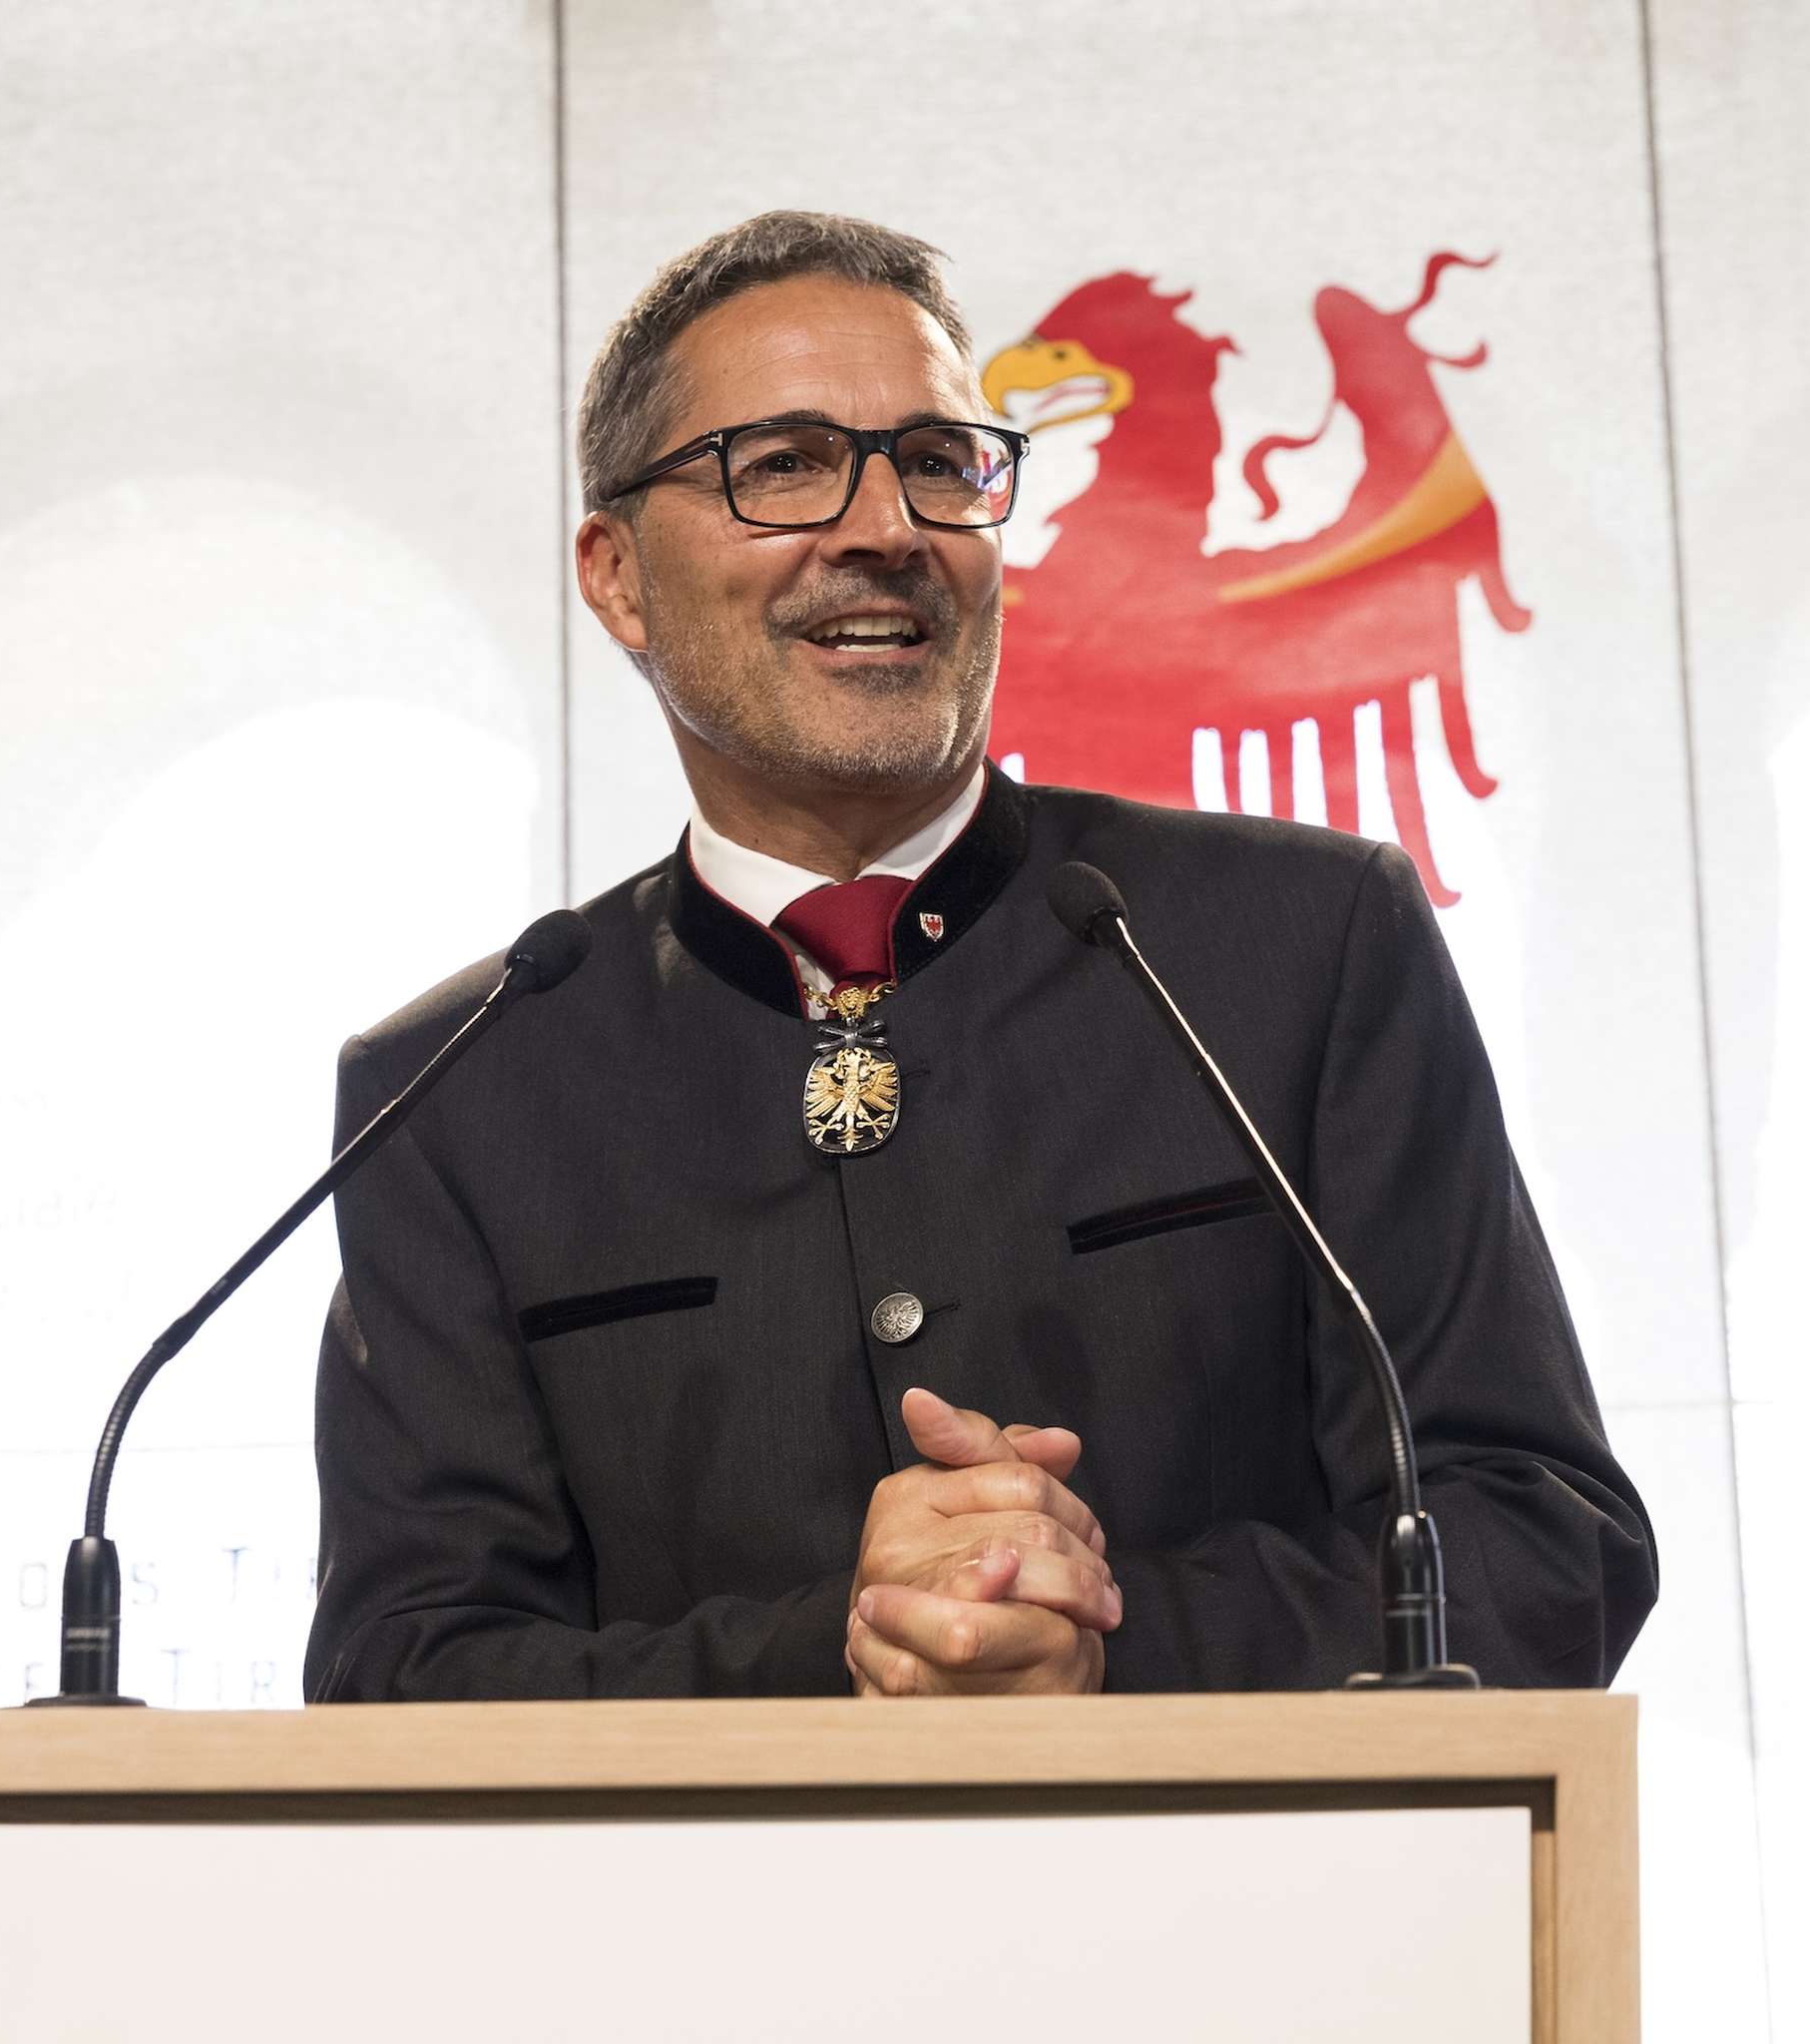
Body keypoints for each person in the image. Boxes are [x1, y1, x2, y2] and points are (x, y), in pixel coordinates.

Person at [302, 212, 1653, 1700]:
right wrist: (842, 1650)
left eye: (940, 463)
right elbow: (401, 1670)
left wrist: (1095, 1638)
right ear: (617, 575)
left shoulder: (1302, 950)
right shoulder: (458, 1091)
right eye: (786, 465)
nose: (884, 529)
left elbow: (1542, 1542)